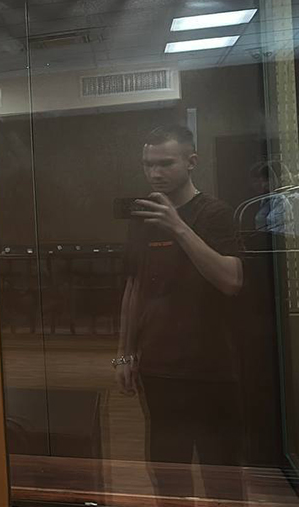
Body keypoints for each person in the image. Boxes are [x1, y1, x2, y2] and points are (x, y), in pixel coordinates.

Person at [115, 125, 245, 500]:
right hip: (158, 366)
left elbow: (231, 280)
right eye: (148, 164)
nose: (155, 173)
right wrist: (124, 353)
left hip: (211, 367)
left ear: (191, 162)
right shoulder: (143, 217)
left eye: (165, 163)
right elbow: (134, 288)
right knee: (168, 473)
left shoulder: (214, 213)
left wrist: (177, 226)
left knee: (221, 474)